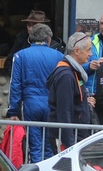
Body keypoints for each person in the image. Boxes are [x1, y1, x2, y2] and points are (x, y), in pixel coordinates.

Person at [7, 23, 63, 163]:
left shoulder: (20, 56)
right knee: (49, 145)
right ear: (48, 39)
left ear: (30, 38)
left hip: (30, 104)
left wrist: (13, 110)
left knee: (35, 146)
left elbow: (15, 84)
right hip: (51, 105)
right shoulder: (59, 56)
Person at [46, 32, 95, 150]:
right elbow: (64, 112)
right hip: (68, 140)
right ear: (77, 51)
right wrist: (70, 145)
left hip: (75, 136)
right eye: (88, 50)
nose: (91, 54)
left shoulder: (73, 72)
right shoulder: (66, 76)